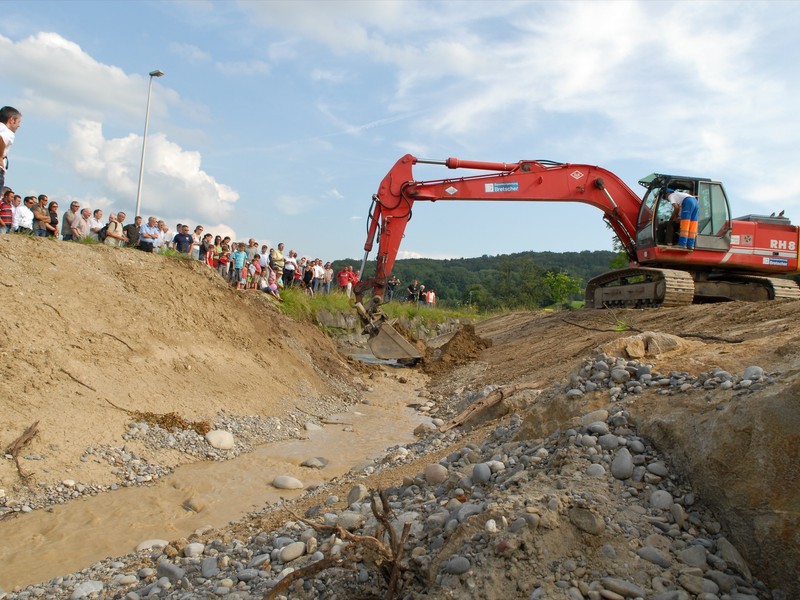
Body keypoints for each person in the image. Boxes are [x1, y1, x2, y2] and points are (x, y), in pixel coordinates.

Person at [0, 107, 22, 192]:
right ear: (12, 120)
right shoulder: (8, 133)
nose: (19, 125)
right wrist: (0, 156)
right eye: (18, 122)